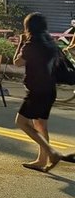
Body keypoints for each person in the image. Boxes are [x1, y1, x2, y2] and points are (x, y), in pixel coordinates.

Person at [13, 12, 75, 172]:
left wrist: (21, 43)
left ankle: (51, 152)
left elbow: (17, 62)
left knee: (21, 122)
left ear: (28, 27)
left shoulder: (32, 44)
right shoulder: (50, 43)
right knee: (40, 124)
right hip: (49, 90)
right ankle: (42, 160)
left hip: (37, 91)